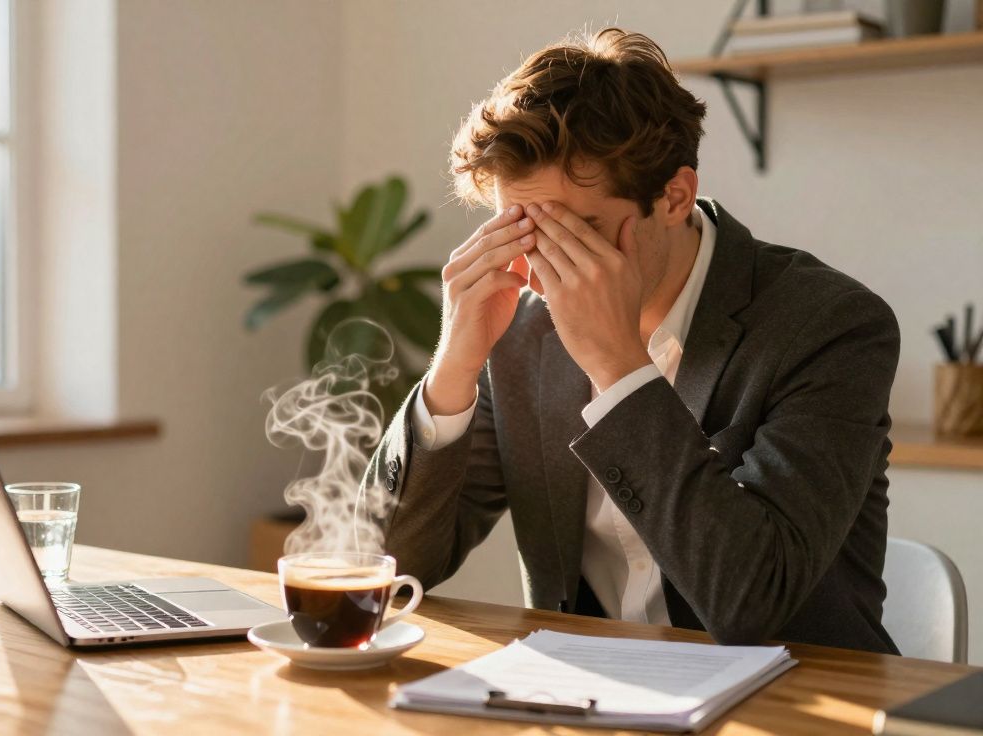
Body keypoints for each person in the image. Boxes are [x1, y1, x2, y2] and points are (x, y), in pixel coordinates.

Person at [365, 27, 900, 653]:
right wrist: (453, 368)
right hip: (587, 697)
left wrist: (618, 367)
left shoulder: (830, 326)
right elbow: (387, 570)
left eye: (579, 231)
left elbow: (751, 600)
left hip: (795, 700)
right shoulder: (521, 329)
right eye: (522, 229)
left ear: (675, 196)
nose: (542, 268)